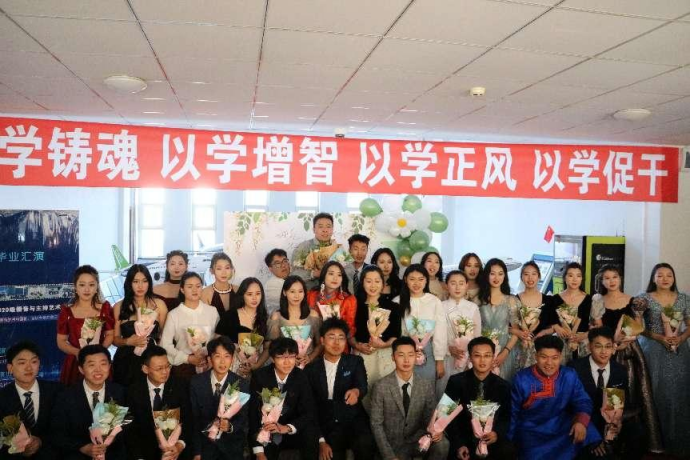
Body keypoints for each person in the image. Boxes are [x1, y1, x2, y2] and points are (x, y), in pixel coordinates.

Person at [590, 265, 662, 453]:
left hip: (629, 351)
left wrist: (622, 343)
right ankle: (607, 439)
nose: (611, 281)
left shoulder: (633, 300)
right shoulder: (598, 300)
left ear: (620, 278)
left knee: (630, 393)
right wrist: (612, 344)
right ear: (602, 281)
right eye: (607, 278)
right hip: (605, 350)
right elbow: (599, 328)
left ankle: (628, 440)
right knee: (606, 394)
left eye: (614, 277)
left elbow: (638, 327)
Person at [508, 335, 600, 460]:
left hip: (560, 425)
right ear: (536, 356)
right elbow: (512, 413)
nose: (549, 363)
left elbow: (582, 401)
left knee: (587, 428)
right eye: (544, 357)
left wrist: (581, 422)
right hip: (531, 430)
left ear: (560, 357)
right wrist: (509, 440)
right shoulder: (521, 378)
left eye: (554, 358)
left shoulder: (569, 374)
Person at [635, 263, 690, 457]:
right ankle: (655, 440)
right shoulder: (643, 298)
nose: (665, 279)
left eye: (669, 275)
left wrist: (681, 338)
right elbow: (638, 327)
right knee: (655, 390)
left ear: (674, 278)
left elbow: (689, 325)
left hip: (679, 351)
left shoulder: (683, 298)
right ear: (653, 278)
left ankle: (678, 439)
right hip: (653, 349)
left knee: (679, 391)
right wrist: (660, 337)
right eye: (660, 275)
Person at [304, 318, 376, 460]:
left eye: (341, 338)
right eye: (331, 337)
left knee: (365, 444)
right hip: (327, 422)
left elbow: (362, 386)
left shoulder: (355, 362)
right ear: (322, 340)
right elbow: (309, 407)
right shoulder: (311, 369)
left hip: (352, 418)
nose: (337, 343)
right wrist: (321, 440)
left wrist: (356, 392)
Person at [569, 327, 645, 460]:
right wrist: (593, 435)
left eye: (608, 346)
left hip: (609, 422)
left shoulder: (620, 370)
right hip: (585, 422)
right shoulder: (575, 368)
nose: (604, 352)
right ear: (589, 347)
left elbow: (622, 403)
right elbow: (570, 406)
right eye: (598, 346)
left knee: (636, 431)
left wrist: (617, 422)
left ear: (613, 348)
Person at [369, 337, 449, 460]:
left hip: (418, 440)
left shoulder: (425, 385)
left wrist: (437, 431)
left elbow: (430, 416)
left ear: (415, 356)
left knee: (442, 444)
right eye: (401, 355)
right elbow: (376, 424)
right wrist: (389, 456)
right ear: (393, 357)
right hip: (392, 444)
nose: (406, 360)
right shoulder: (380, 386)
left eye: (411, 355)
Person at [51, 345, 127, 460]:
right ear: (81, 369)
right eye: (91, 365)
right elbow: (57, 433)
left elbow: (127, 429)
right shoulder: (66, 396)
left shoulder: (120, 392)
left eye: (103, 364)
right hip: (77, 455)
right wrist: (83, 447)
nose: (98, 370)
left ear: (109, 366)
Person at [249, 337, 319, 460]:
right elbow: (253, 414)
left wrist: (286, 428)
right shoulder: (260, 377)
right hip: (268, 430)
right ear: (272, 358)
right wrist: (259, 452)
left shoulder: (301, 376)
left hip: (291, 429)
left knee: (310, 431)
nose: (287, 362)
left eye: (291, 356)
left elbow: (309, 412)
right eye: (281, 357)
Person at [444, 337, 514, 460]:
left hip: (491, 440)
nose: (482, 360)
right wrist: (459, 444)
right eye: (477, 355)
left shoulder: (503, 386)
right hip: (464, 440)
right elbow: (446, 415)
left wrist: (496, 434)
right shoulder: (456, 382)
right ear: (470, 358)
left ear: (493, 357)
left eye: (487, 355)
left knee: (508, 450)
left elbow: (506, 416)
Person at [0, 341, 62, 460]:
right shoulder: (2, 397)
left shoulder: (58, 391)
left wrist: (41, 441)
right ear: (10, 368)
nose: (29, 368)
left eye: (34, 362)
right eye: (22, 363)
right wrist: (18, 449)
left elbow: (65, 430)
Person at [126, 345, 190, 460]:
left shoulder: (180, 386)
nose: (165, 372)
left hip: (176, 451)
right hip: (144, 452)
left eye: (167, 366)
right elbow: (130, 429)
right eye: (159, 368)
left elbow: (188, 419)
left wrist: (179, 445)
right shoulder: (133, 391)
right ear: (145, 369)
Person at [189, 336, 248, 460]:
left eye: (227, 356)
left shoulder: (242, 384)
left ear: (232, 359)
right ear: (209, 359)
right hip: (205, 446)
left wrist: (230, 426)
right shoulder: (196, 382)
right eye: (217, 356)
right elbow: (194, 420)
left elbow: (243, 417)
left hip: (231, 447)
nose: (222, 362)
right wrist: (197, 453)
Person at [56, 265, 115, 385]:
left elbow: (110, 334)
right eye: (82, 285)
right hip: (75, 361)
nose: (87, 289)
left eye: (91, 285)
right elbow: (61, 341)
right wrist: (78, 352)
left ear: (97, 287)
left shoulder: (105, 308)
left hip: (99, 361)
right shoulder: (67, 311)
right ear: (75, 287)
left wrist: (99, 351)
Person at [112, 264, 168, 386]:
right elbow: (115, 339)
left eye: (144, 281)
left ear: (149, 283)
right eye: (135, 281)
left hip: (151, 361)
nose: (140, 286)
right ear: (129, 283)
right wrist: (128, 341)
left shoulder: (159, 305)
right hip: (125, 360)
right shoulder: (119, 306)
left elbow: (164, 336)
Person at [160, 272, 220, 380]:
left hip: (210, 365)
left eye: (198, 286)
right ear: (182, 290)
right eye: (189, 286)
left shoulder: (212, 311)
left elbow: (217, 337)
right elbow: (165, 344)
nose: (194, 290)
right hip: (184, 368)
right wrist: (187, 358)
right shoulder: (174, 314)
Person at [351, 266, 402, 390]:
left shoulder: (393, 306)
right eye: (368, 281)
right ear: (362, 283)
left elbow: (396, 336)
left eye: (377, 281)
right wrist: (357, 346)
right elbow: (349, 333)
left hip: (386, 357)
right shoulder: (355, 306)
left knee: (386, 391)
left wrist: (383, 344)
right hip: (362, 356)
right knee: (363, 391)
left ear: (383, 284)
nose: (373, 285)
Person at [395, 264, 447, 382]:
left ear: (426, 280)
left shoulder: (434, 301)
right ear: (405, 280)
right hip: (404, 352)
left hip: (429, 350)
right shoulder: (397, 301)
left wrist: (439, 360)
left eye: (421, 279)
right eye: (412, 279)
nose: (416, 283)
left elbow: (440, 332)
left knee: (427, 387)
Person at [215, 277, 271, 378]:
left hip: (256, 368)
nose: (254, 298)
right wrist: (235, 349)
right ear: (242, 295)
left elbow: (268, 348)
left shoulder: (265, 318)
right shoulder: (230, 315)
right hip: (230, 368)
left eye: (258, 294)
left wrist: (255, 366)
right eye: (249, 294)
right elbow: (217, 340)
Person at [439, 270, 481, 394]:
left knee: (465, 394)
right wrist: (448, 348)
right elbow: (436, 335)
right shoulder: (440, 306)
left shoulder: (473, 307)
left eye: (461, 283)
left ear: (467, 285)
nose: (457, 287)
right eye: (453, 283)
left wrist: (471, 359)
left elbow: (477, 336)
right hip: (446, 357)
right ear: (446, 286)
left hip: (467, 359)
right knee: (445, 394)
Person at [477, 259, 520, 382]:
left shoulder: (511, 300)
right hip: (483, 352)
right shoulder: (478, 300)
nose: (496, 278)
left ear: (504, 276)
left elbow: (516, 332)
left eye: (500, 274)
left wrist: (505, 353)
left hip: (505, 351)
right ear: (487, 275)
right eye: (492, 273)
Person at [267, 276, 323, 368]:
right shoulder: (277, 317)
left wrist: (310, 357)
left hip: (310, 367)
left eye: (300, 291)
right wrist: (288, 358)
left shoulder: (313, 315)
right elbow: (272, 346)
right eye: (292, 292)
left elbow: (320, 344)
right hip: (285, 366)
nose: (297, 296)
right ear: (284, 292)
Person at [515, 261, 555, 369]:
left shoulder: (548, 300)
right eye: (526, 274)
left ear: (539, 277)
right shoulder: (514, 300)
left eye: (534, 274)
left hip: (543, 350)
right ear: (521, 277)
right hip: (520, 349)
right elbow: (509, 327)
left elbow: (554, 327)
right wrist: (521, 334)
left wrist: (543, 332)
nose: (530, 278)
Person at [307, 261, 357, 344]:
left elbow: (350, 328)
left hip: (338, 344)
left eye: (339, 275)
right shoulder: (311, 295)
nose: (335, 278)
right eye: (331, 274)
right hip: (314, 342)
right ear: (324, 276)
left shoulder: (349, 299)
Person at [553, 262, 592, 362]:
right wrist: (557, 327)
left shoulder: (590, 300)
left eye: (578, 276)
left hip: (583, 344)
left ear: (582, 279)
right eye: (570, 275)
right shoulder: (555, 299)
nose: (575, 279)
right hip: (561, 344)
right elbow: (550, 321)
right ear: (564, 278)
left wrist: (583, 336)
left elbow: (596, 325)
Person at [291, 212, 338, 290]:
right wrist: (315, 273)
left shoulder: (338, 249)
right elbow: (294, 273)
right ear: (314, 229)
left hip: (333, 294)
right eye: (320, 226)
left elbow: (347, 274)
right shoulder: (303, 248)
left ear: (332, 229)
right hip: (308, 293)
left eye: (328, 226)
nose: (325, 230)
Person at [201, 252, 238, 318]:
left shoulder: (238, 290)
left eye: (227, 268)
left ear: (231, 269)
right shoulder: (205, 293)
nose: (224, 272)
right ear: (212, 271)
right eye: (219, 268)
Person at [264, 249, 291, 315]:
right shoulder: (272, 285)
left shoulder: (287, 279)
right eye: (278, 263)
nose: (283, 265)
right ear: (270, 269)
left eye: (285, 261)